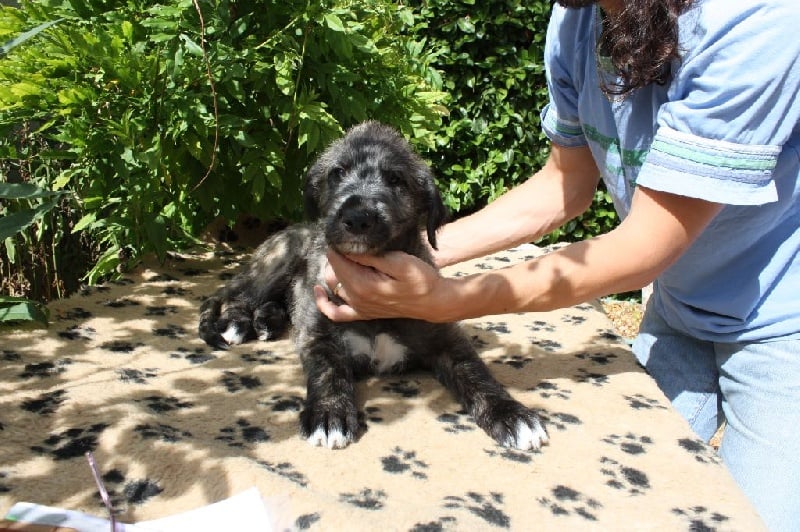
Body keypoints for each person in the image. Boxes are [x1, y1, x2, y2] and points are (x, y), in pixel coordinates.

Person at [313, 0, 800, 529]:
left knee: (752, 517)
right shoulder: (579, 18)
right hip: (680, 310)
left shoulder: (757, 19)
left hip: (782, 323)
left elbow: (646, 246)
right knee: (615, 497)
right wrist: (404, 253)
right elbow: (564, 185)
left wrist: (442, 299)